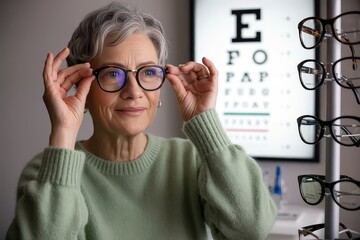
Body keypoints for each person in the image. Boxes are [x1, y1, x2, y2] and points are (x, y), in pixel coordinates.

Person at [6, 2, 276, 240]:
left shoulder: (190, 160)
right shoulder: (46, 172)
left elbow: (250, 230)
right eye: (113, 73)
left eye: (148, 72)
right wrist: (63, 132)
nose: (134, 91)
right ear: (81, 86)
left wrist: (206, 123)